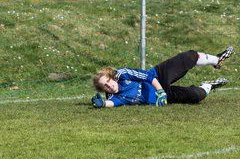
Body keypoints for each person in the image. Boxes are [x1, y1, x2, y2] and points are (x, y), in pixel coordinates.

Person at [91, 46, 234, 108]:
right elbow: (112, 103)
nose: (109, 86)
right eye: (105, 86)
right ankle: (211, 85)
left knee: (188, 57)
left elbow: (147, 76)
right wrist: (101, 104)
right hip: (164, 97)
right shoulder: (112, 96)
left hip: (158, 77)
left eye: (108, 81)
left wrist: (159, 91)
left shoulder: (122, 74)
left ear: (111, 77)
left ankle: (217, 60)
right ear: (103, 89)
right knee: (197, 96)